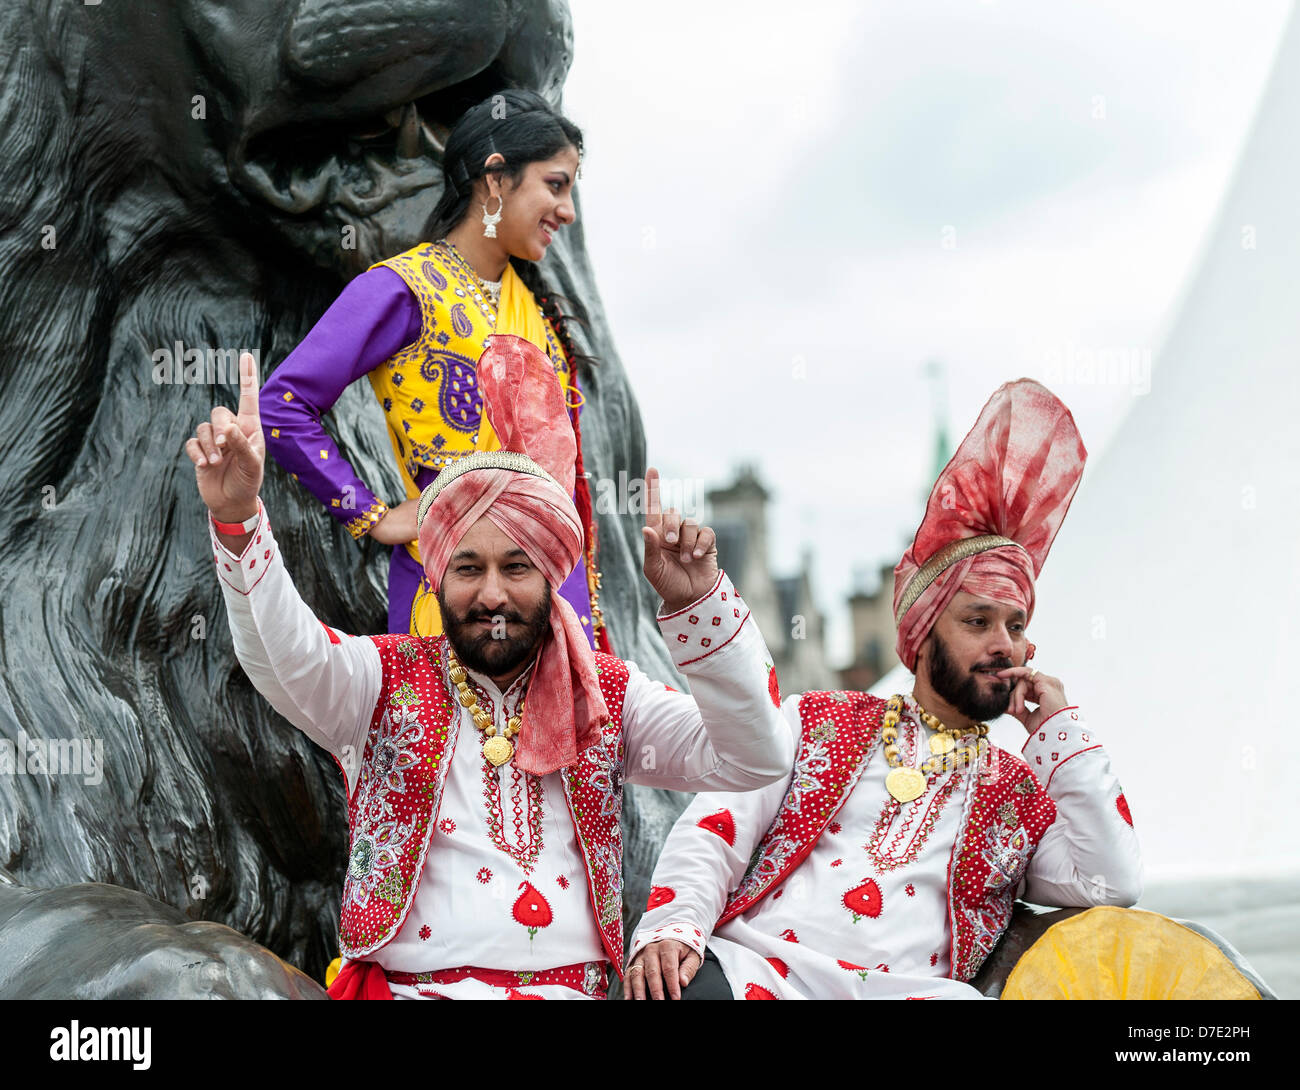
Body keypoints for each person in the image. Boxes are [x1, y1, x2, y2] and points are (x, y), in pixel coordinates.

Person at [186, 345, 794, 999]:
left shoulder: (611, 697)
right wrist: (239, 520)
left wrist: (696, 604)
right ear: (439, 577)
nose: (493, 594)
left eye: (517, 567)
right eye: (469, 568)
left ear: (552, 576)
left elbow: (755, 757)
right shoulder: (382, 681)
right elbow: (285, 655)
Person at [627, 379, 1143, 1000]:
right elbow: (716, 827)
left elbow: (1111, 883)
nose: (1003, 644)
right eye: (977, 622)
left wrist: (1060, 734)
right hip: (759, 976)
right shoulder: (818, 721)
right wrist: (673, 930)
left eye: (1015, 626)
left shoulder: (1019, 794)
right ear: (923, 635)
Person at [259, 89, 610, 647]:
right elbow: (282, 406)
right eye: (556, 184)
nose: (567, 211)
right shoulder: (405, 289)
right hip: (448, 594)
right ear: (496, 179)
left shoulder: (540, 314)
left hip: (552, 599)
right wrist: (371, 515)